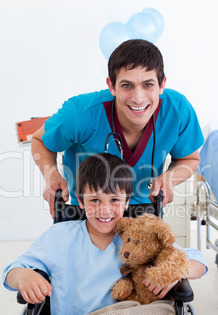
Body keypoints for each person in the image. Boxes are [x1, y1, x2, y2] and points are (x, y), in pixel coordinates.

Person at [3, 153, 207, 315]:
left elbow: (198, 260)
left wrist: (176, 271)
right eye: (94, 200)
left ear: (127, 201)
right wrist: (23, 276)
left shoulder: (139, 236)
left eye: (115, 200)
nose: (105, 209)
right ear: (80, 199)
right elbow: (11, 272)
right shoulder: (60, 236)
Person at [32, 39, 204, 219]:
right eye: (127, 85)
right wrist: (51, 176)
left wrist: (169, 178)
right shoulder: (79, 114)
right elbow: (39, 141)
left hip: (144, 209)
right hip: (88, 211)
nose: (138, 98)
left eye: (148, 85)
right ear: (111, 86)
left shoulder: (178, 110)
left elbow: (189, 159)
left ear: (162, 85)